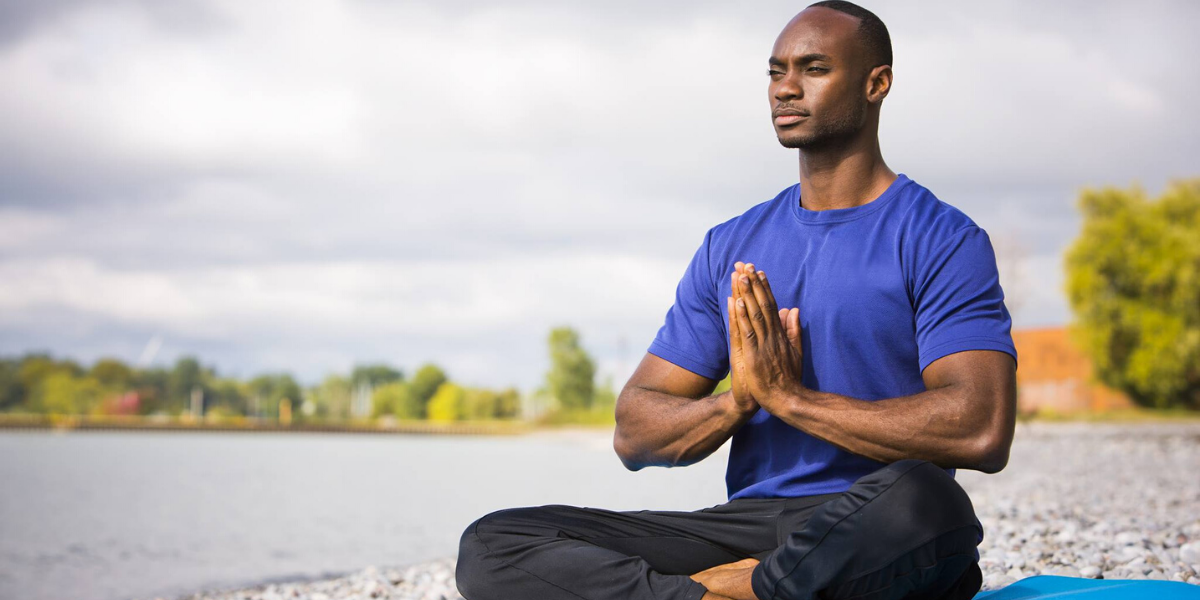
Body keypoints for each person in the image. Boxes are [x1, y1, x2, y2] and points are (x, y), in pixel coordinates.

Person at [455, 2, 1018, 599]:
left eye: (814, 68)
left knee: (930, 502)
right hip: (747, 528)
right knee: (496, 541)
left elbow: (980, 428)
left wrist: (793, 401)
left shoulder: (941, 237)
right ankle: (733, 593)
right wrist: (737, 404)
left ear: (876, 84)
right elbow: (635, 430)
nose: (787, 89)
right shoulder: (732, 245)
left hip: (870, 523)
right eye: (776, 72)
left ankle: (728, 590)